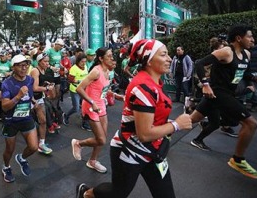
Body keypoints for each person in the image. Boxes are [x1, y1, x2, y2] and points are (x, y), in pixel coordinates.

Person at [76, 39, 192, 198]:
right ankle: (86, 194)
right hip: (130, 149)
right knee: (119, 193)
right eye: (164, 54)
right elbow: (144, 134)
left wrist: (115, 95)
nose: (170, 59)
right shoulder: (143, 87)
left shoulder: (155, 82)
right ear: (149, 60)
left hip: (153, 150)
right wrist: (176, 125)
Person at [190, 25, 257, 179]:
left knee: (192, 119)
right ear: (238, 38)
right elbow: (199, 63)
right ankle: (238, 160)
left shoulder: (247, 54)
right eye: (249, 36)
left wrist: (255, 79)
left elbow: (244, 73)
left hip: (223, 95)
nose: (252, 40)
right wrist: (205, 84)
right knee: (251, 124)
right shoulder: (226, 52)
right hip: (219, 93)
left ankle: (166, 133)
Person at [71, 47, 120, 174]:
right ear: (101, 58)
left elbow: (102, 89)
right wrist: (92, 102)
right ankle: (78, 143)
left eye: (112, 55)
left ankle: (92, 161)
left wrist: (116, 95)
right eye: (109, 56)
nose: (112, 58)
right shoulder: (96, 71)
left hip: (101, 106)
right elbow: (79, 89)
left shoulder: (107, 72)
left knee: (102, 137)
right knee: (101, 139)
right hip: (91, 107)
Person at [0, 54, 39, 183]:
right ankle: (6, 167)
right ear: (14, 67)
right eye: (21, 65)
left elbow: (30, 95)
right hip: (11, 121)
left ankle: (21, 158)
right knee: (9, 149)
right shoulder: (7, 84)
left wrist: (33, 102)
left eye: (26, 65)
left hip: (26, 118)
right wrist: (18, 96)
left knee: (33, 147)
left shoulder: (29, 80)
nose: (24, 68)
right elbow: (5, 107)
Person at [30, 53, 56, 154]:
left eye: (48, 61)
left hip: (39, 98)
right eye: (45, 61)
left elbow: (40, 84)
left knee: (43, 121)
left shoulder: (43, 70)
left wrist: (46, 84)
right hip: (29, 98)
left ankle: (41, 143)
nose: (47, 63)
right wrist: (46, 88)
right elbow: (34, 88)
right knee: (26, 122)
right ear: (39, 61)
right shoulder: (34, 71)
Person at [63, 53, 89, 129]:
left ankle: (84, 123)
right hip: (75, 90)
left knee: (85, 106)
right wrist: (79, 81)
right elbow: (70, 80)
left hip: (83, 90)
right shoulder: (74, 68)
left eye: (85, 61)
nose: (84, 63)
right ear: (78, 61)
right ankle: (66, 116)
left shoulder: (85, 66)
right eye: (82, 62)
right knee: (76, 108)